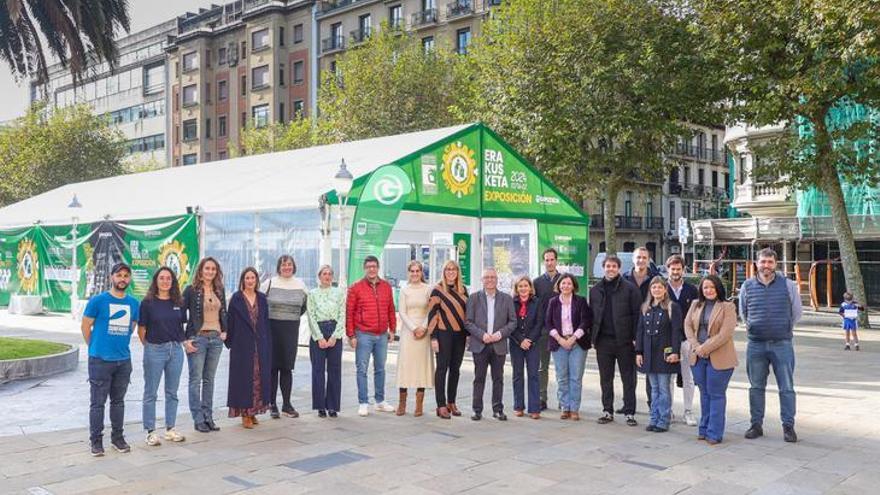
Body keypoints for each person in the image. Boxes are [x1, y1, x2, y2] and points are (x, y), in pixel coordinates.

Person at [739, 248, 803, 443]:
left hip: (781, 343)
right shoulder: (747, 286)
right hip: (755, 344)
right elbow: (743, 312)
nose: (766, 265)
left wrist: (782, 328)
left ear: (776, 264)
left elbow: (796, 312)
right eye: (763, 262)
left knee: (786, 387)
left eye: (770, 262)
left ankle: (788, 427)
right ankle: (756, 424)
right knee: (756, 386)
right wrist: (753, 327)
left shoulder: (788, 285)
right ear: (756, 264)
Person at [81, 262, 139, 456]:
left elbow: (132, 326)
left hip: (123, 360)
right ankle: (96, 442)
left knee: (118, 402)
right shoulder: (98, 301)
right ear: (111, 277)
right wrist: (95, 347)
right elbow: (85, 326)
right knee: (98, 403)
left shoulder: (133, 303)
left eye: (126, 275)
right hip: (100, 360)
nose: (122, 279)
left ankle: (118, 438)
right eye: (119, 275)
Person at [685, 275, 738, 444]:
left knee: (716, 395)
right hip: (698, 357)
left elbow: (725, 333)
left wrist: (705, 348)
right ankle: (704, 429)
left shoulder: (727, 307)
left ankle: (714, 433)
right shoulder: (695, 304)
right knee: (704, 394)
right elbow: (687, 325)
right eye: (705, 287)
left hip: (720, 357)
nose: (708, 290)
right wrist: (695, 345)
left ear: (718, 289)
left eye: (712, 287)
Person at [590, 254, 642, 426]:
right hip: (603, 341)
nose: (610, 269)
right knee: (606, 378)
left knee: (628, 378)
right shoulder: (595, 290)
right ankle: (607, 410)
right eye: (608, 266)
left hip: (625, 341)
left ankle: (629, 412)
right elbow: (592, 316)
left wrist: (636, 339)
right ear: (603, 268)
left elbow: (637, 316)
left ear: (618, 269)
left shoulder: (630, 289)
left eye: (614, 266)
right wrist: (593, 338)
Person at [138, 267, 187, 447]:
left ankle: (170, 428)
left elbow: (180, 327)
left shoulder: (178, 302)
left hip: (175, 350)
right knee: (151, 392)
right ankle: (150, 431)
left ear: (173, 281)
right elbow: (141, 329)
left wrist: (183, 343)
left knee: (172, 392)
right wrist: (151, 347)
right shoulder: (147, 303)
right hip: (155, 350)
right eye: (162, 278)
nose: (165, 281)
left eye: (169, 278)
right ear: (156, 281)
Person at [347, 255, 397, 417]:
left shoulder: (387, 287)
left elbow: (391, 309)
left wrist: (392, 330)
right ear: (364, 268)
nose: (371, 269)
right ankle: (363, 402)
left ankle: (380, 401)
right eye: (368, 266)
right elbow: (349, 313)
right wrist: (351, 335)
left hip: (382, 334)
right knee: (362, 369)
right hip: (363, 334)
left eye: (374, 266)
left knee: (380, 369)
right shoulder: (355, 287)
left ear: (378, 268)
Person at [183, 257, 227, 433]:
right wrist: (185, 339)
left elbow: (224, 311)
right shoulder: (191, 290)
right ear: (200, 271)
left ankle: (208, 416)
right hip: (198, 339)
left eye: (213, 269)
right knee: (195, 380)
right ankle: (198, 418)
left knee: (209, 380)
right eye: (207, 268)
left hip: (216, 339)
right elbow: (179, 314)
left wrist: (225, 330)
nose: (210, 272)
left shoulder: (219, 289)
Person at [465, 267, 517, 421]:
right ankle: (477, 409)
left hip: (498, 344)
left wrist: (499, 334)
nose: (489, 280)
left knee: (498, 378)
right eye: (486, 277)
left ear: (497, 279)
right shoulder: (474, 298)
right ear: (482, 280)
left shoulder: (506, 299)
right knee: (479, 378)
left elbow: (513, 321)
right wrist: (482, 335)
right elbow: (468, 322)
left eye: (492, 277)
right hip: (480, 344)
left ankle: (498, 409)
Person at [260, 255, 307, 419]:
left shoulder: (300, 285)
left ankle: (287, 405)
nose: (286, 267)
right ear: (278, 267)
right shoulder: (269, 283)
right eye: (283, 264)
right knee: (273, 368)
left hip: (291, 330)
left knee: (287, 368)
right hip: (272, 330)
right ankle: (272, 404)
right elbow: (259, 303)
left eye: (289, 264)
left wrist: (290, 316)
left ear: (293, 266)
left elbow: (304, 307)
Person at [225, 267, 273, 428]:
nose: (250, 281)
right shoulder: (236, 298)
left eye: (253, 278)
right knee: (243, 378)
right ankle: (245, 413)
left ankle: (254, 411)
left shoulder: (262, 298)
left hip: (260, 344)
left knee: (258, 378)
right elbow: (230, 321)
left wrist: (267, 344)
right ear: (243, 280)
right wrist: (229, 342)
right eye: (247, 278)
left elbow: (266, 322)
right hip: (241, 344)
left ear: (256, 280)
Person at [635, 277, 682, 433]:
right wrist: (639, 352)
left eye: (659, 287)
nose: (656, 290)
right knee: (653, 388)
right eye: (653, 287)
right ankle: (653, 418)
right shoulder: (645, 307)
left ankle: (663, 420)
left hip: (664, 354)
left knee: (663, 388)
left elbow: (676, 331)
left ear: (665, 289)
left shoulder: (671, 307)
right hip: (649, 353)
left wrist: (675, 352)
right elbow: (640, 331)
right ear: (650, 290)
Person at [545, 274, 592, 420]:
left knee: (576, 377)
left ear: (574, 286)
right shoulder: (553, 302)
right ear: (559, 285)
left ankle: (574, 408)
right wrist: (559, 339)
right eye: (563, 283)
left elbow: (586, 321)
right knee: (562, 377)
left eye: (569, 284)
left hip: (577, 342)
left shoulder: (581, 301)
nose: (566, 286)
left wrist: (573, 338)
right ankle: (565, 407)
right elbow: (548, 323)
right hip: (559, 343)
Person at [428, 260, 469, 419]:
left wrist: (468, 335)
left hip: (460, 335)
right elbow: (432, 314)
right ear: (444, 272)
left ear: (458, 272)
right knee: (442, 369)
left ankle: (452, 402)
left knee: (455, 370)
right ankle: (441, 405)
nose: (451, 272)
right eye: (448, 269)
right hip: (443, 334)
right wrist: (433, 338)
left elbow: (466, 314)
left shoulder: (463, 290)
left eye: (454, 269)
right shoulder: (437, 290)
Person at [396, 260, 435, 417]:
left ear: (421, 272)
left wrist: (423, 328)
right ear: (409, 273)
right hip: (408, 332)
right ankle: (402, 403)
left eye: (417, 271)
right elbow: (402, 311)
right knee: (406, 366)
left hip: (423, 332)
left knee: (421, 367)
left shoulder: (428, 289)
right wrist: (413, 328)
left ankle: (419, 404)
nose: (415, 274)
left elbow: (431, 311)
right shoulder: (404, 290)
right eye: (412, 271)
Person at [623, 246, 660, 412]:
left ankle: (653, 405)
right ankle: (628, 404)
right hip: (627, 330)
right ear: (633, 259)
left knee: (650, 369)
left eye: (644, 258)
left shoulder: (655, 279)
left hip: (650, 330)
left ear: (648, 260)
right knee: (628, 371)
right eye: (638, 257)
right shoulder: (623, 278)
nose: (641, 260)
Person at [307, 265, 346, 418]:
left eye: (330, 274)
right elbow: (311, 315)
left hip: (335, 331)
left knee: (335, 370)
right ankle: (320, 406)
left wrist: (335, 336)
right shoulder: (313, 294)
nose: (327, 276)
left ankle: (333, 406)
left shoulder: (339, 293)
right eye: (324, 274)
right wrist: (319, 337)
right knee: (318, 371)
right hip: (319, 332)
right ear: (319, 276)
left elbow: (343, 314)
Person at [666, 254, 699, 427]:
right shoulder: (661, 288)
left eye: (679, 269)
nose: (676, 272)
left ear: (683, 270)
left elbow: (696, 315)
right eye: (673, 269)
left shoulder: (692, 290)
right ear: (668, 270)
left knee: (688, 377)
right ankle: (669, 410)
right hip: (668, 340)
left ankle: (688, 411)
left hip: (687, 340)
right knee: (669, 377)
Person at [509, 276, 542, 419]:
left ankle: (534, 408)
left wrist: (529, 340)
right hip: (516, 343)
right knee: (517, 375)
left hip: (533, 344)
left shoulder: (537, 302)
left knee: (533, 375)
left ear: (530, 288)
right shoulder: (511, 303)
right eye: (520, 286)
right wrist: (520, 340)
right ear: (516, 289)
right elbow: (509, 323)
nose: (523, 288)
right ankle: (518, 406)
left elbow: (539, 323)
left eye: (525, 286)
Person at [533, 248, 562, 411]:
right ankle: (542, 398)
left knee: (561, 368)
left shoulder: (564, 280)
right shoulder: (537, 283)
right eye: (547, 260)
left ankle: (562, 399)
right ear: (543, 262)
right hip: (543, 332)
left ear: (557, 261)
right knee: (542, 367)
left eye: (552, 259)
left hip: (561, 333)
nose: (549, 262)